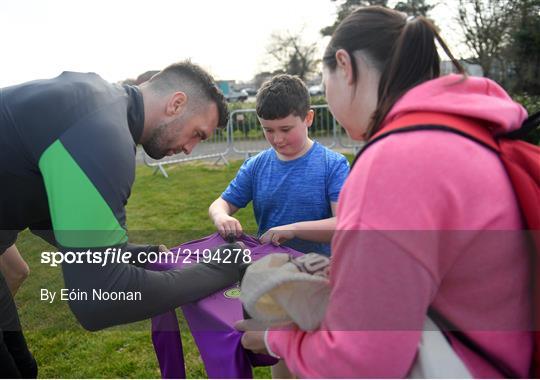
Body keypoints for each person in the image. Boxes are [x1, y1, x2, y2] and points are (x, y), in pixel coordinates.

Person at [237, 6, 533, 378]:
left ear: (343, 66)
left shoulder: (397, 159)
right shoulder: (467, 129)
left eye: (324, 84)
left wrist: (276, 338)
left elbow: (361, 361)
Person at [0, 61, 245, 376]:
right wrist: (219, 269)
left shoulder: (98, 103)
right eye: (196, 134)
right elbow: (98, 300)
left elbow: (51, 223)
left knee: (22, 368)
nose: (189, 149)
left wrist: (136, 253)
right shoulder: (102, 134)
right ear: (176, 104)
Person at [209, 74, 349, 256]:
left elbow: (344, 224)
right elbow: (221, 203)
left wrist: (293, 229)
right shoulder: (255, 166)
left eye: (285, 129)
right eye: (268, 130)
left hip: (318, 273)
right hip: (268, 272)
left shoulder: (333, 165)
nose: (277, 139)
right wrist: (221, 216)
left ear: (308, 118)